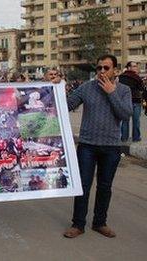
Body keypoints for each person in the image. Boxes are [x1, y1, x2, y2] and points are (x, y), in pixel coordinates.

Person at [63, 54, 132, 239]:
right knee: (83, 186)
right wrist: (55, 86)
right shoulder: (87, 87)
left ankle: (100, 222)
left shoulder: (124, 90)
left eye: (106, 68)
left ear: (115, 70)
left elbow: (125, 114)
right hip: (87, 146)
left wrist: (112, 93)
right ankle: (78, 224)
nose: (101, 71)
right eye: (99, 68)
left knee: (104, 186)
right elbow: (67, 104)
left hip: (111, 147)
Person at [119, 61, 145, 142]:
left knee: (125, 121)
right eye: (134, 66)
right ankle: (136, 138)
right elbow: (141, 88)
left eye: (136, 66)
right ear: (129, 67)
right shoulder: (136, 77)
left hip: (125, 102)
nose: (136, 68)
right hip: (135, 101)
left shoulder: (121, 77)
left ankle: (124, 138)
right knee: (136, 121)